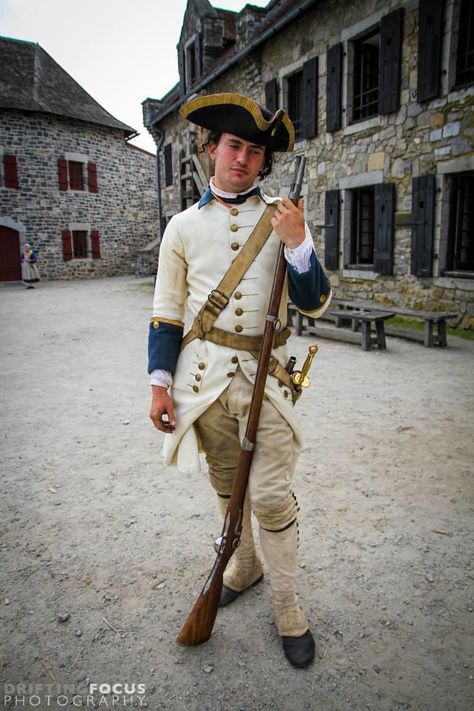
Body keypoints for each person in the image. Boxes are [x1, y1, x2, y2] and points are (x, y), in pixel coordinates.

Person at [148, 93, 331, 668]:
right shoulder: (180, 227)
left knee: (271, 496)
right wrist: (159, 383)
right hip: (201, 383)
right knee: (228, 492)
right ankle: (243, 564)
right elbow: (167, 312)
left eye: (255, 151)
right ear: (211, 149)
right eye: (234, 146)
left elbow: (316, 301)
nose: (244, 158)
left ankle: (287, 607)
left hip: (267, 382)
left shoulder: (284, 215)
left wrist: (299, 243)